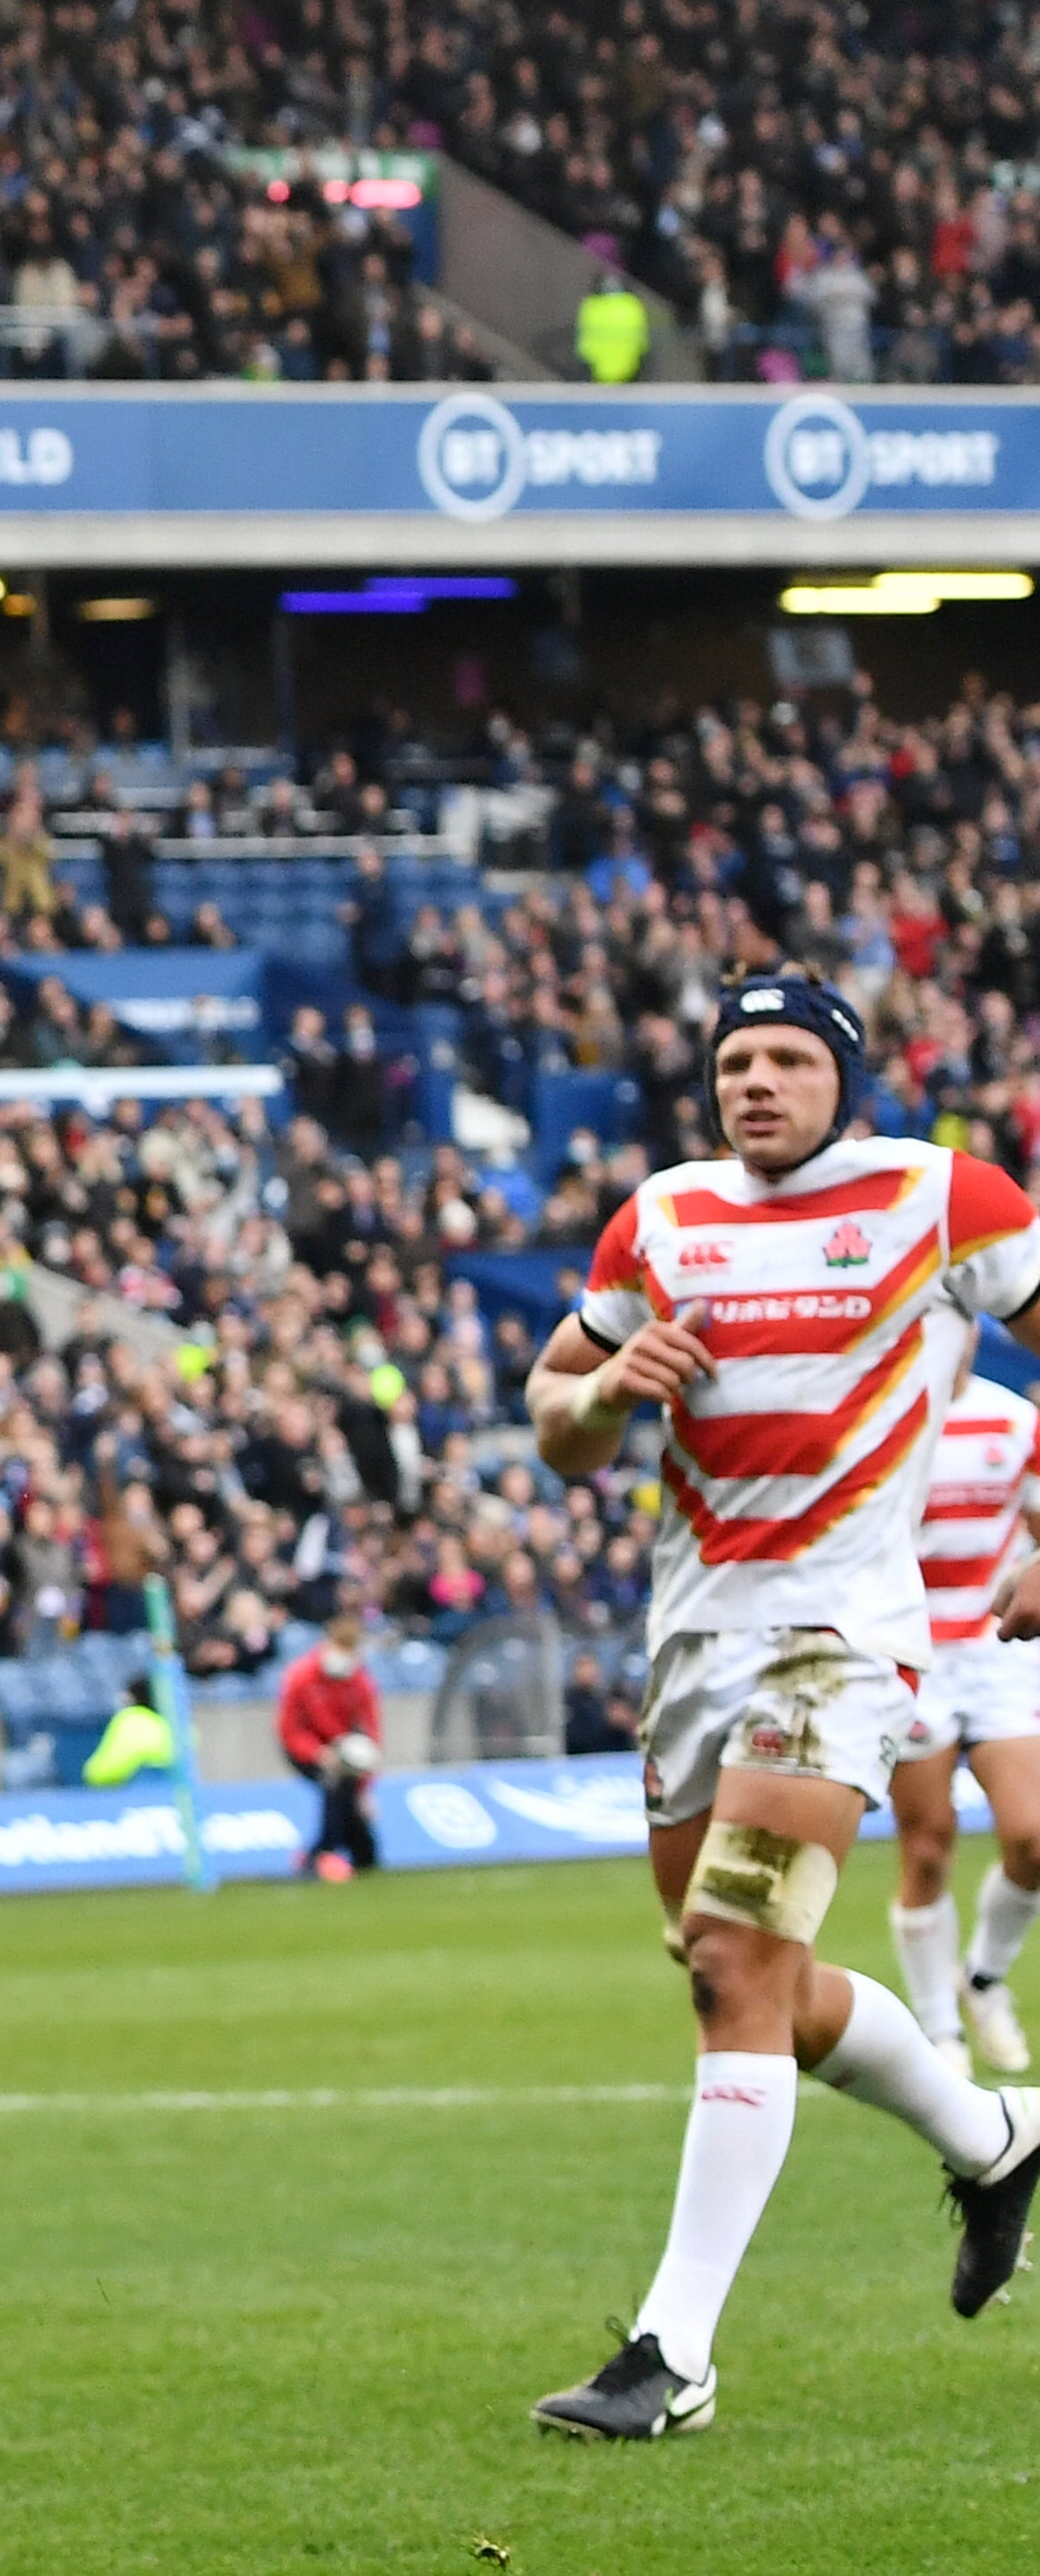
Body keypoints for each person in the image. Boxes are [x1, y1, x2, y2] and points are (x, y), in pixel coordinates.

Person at [522, 977, 1040, 2439]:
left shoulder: (946, 1197)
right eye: (735, 1058)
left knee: (735, 1965)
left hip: (842, 1644)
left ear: (847, 1079)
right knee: (744, 1973)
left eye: (791, 1057)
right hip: (694, 1648)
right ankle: (994, 2131)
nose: (757, 1080)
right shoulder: (661, 1218)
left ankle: (668, 2351)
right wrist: (610, 1381)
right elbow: (556, 1424)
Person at [888, 1352, 1040, 2075]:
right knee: (926, 1845)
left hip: (997, 1652)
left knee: (1034, 1839)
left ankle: (981, 1979)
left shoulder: (1014, 1421)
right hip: (909, 1655)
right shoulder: (878, 1414)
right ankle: (940, 2030)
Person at [274, 1609, 384, 1880]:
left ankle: (360, 1853)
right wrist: (317, 1753)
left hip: (345, 1750)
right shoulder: (301, 1676)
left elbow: (371, 1736)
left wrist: (365, 1786)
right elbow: (289, 1730)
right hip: (307, 1748)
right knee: (334, 1782)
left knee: (348, 1792)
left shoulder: (359, 1682)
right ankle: (323, 1854)